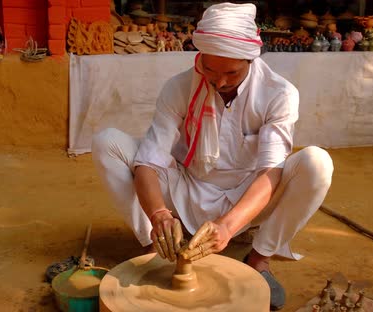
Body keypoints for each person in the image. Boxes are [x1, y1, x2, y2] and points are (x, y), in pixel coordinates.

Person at [92, 3, 333, 310]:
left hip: (246, 196)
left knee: (317, 163)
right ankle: (157, 249)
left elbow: (271, 171)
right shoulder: (179, 87)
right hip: (186, 186)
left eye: (231, 72)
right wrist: (159, 215)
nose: (219, 82)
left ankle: (259, 259)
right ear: (200, 58)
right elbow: (149, 162)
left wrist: (228, 227)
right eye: (209, 70)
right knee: (107, 142)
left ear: (250, 59)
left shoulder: (278, 93)